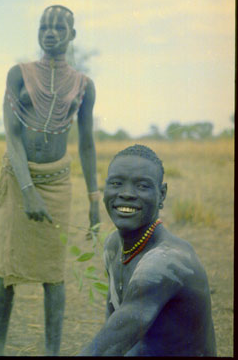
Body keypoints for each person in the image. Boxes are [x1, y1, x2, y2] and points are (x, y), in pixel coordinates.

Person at [0, 5, 100, 356]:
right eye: (44, 27)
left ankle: (52, 353)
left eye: (58, 28)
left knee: (54, 273)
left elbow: (85, 143)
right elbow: (12, 136)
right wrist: (27, 190)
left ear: (72, 35)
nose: (50, 33)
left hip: (58, 182)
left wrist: (94, 200)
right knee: (5, 269)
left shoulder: (84, 85)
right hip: (19, 177)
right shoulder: (18, 74)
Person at [79, 144, 216, 356]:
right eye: (116, 183)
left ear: (162, 195)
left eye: (142, 186)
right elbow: (114, 330)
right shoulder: (114, 245)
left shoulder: (165, 262)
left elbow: (108, 345)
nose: (126, 194)